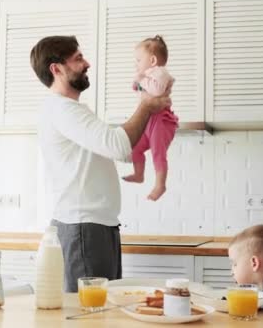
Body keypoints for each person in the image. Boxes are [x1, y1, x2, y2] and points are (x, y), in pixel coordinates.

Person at [31, 35, 171, 292]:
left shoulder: (69, 110)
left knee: (101, 312)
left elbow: (124, 149)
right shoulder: (63, 110)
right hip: (84, 229)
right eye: (78, 58)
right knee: (90, 315)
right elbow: (119, 146)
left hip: (94, 227)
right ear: (56, 68)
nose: (87, 63)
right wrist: (146, 106)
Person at [122, 35, 178, 201]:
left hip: (162, 121)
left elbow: (156, 90)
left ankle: (160, 185)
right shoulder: (148, 75)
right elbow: (138, 88)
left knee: (157, 152)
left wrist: (140, 79)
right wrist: (138, 82)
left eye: (139, 60)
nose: (136, 64)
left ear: (152, 61)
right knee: (135, 148)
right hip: (149, 121)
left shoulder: (160, 73)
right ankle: (139, 174)